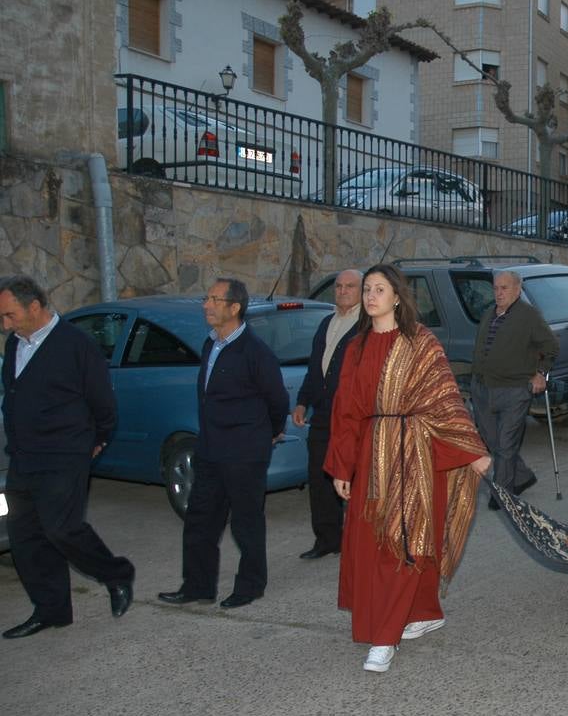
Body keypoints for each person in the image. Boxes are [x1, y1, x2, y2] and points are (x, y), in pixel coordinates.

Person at [325, 264, 491, 673]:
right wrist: (342, 467)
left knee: (401, 543)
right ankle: (424, 611)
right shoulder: (356, 347)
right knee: (377, 541)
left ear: (397, 296)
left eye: (379, 289)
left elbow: (446, 402)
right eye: (367, 289)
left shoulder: (421, 342)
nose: (370, 296)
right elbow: (345, 411)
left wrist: (471, 452)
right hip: (371, 457)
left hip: (415, 455)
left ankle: (385, 638)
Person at [1, 276, 135, 639]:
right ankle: (51, 610)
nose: (5, 324)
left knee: (62, 528)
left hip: (64, 454)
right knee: (25, 537)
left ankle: (117, 574)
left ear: (34, 307)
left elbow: (103, 402)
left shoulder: (76, 345)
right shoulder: (15, 345)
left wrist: (99, 438)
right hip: (23, 457)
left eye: (10, 316)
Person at [158, 279, 289, 609]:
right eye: (207, 298)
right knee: (200, 522)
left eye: (215, 299)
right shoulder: (210, 344)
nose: (207, 304)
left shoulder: (255, 353)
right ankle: (197, 587)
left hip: (244, 453)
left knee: (246, 524)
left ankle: (250, 586)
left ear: (234, 308)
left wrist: (268, 434)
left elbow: (277, 400)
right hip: (210, 450)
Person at [470, 271, 558, 510]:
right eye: (496, 288)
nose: (498, 293)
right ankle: (521, 476)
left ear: (517, 289)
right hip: (483, 388)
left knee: (506, 443)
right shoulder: (489, 313)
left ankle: (503, 494)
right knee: (492, 440)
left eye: (504, 288)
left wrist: (541, 372)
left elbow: (550, 346)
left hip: (514, 390)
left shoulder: (528, 316)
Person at [291, 268, 361, 560]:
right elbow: (314, 368)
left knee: (355, 480)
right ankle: (327, 539)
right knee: (319, 478)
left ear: (361, 291)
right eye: (339, 286)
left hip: (352, 417)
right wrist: (302, 402)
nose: (343, 291)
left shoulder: (366, 327)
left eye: (350, 286)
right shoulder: (326, 323)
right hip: (322, 415)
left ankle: (359, 543)